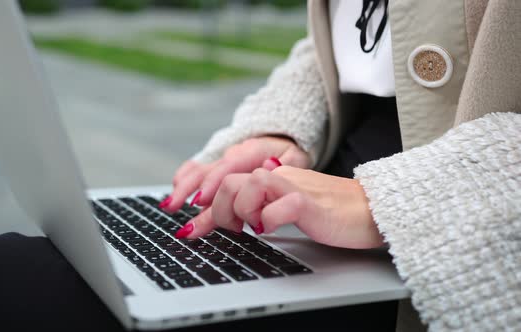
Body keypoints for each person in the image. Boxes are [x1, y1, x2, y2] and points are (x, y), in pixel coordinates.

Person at [159, 0, 521, 330]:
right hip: (319, 216)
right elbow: (350, 42)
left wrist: (394, 201)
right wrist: (282, 129)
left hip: (445, 248)